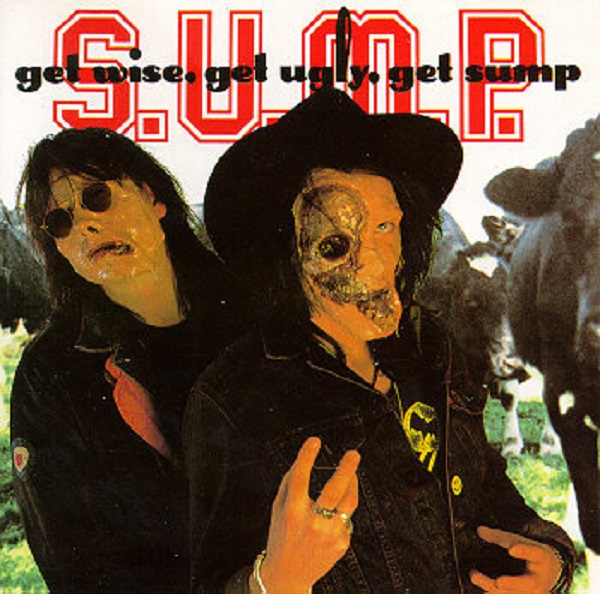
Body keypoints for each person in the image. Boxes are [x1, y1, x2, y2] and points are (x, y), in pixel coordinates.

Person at [183, 89, 575, 593]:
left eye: (386, 227)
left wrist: (553, 561)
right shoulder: (232, 398)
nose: (374, 262)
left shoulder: (431, 346)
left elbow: (488, 488)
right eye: (334, 244)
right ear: (287, 255)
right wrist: (274, 581)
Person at [10, 128, 248, 592]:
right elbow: (77, 571)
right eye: (59, 221)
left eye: (97, 197)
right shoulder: (49, 375)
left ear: (153, 196)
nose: (84, 225)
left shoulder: (251, 312)